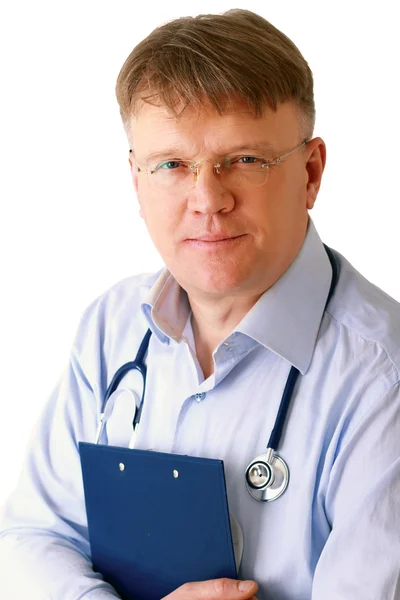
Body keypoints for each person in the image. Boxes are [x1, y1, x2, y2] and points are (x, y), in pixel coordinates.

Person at [1, 7, 400, 600]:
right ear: (136, 182)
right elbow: (33, 535)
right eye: (172, 165)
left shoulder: (380, 375)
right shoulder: (112, 329)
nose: (207, 199)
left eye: (243, 160)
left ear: (311, 172)